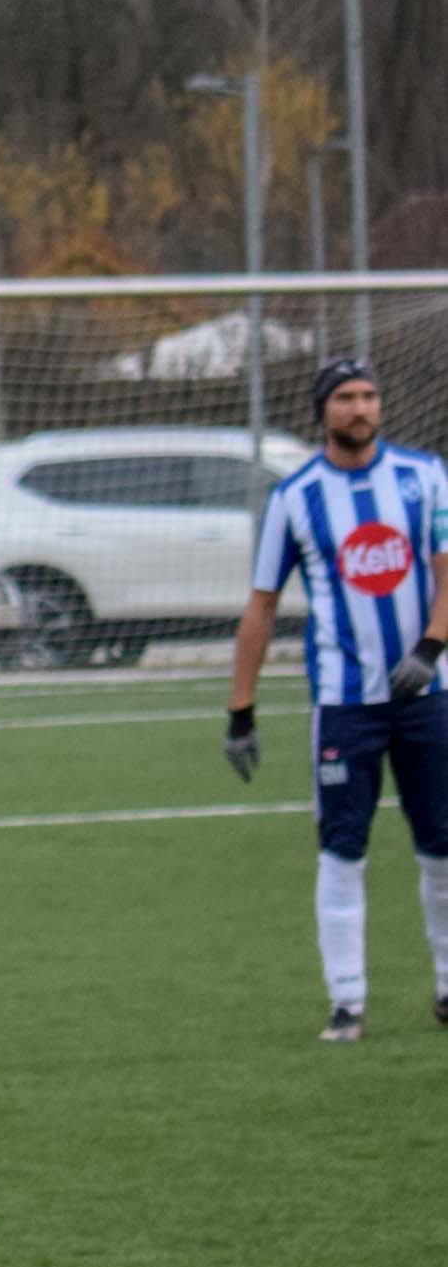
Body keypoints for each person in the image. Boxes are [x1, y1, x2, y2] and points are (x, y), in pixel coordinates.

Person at [224, 354, 448, 1040]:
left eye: (369, 395)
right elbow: (262, 605)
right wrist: (241, 710)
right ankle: (346, 1001)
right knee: (342, 848)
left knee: (441, 846)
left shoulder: (424, 476)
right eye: (346, 397)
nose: (361, 408)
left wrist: (430, 648)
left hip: (428, 697)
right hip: (345, 705)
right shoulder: (295, 497)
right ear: (323, 409)